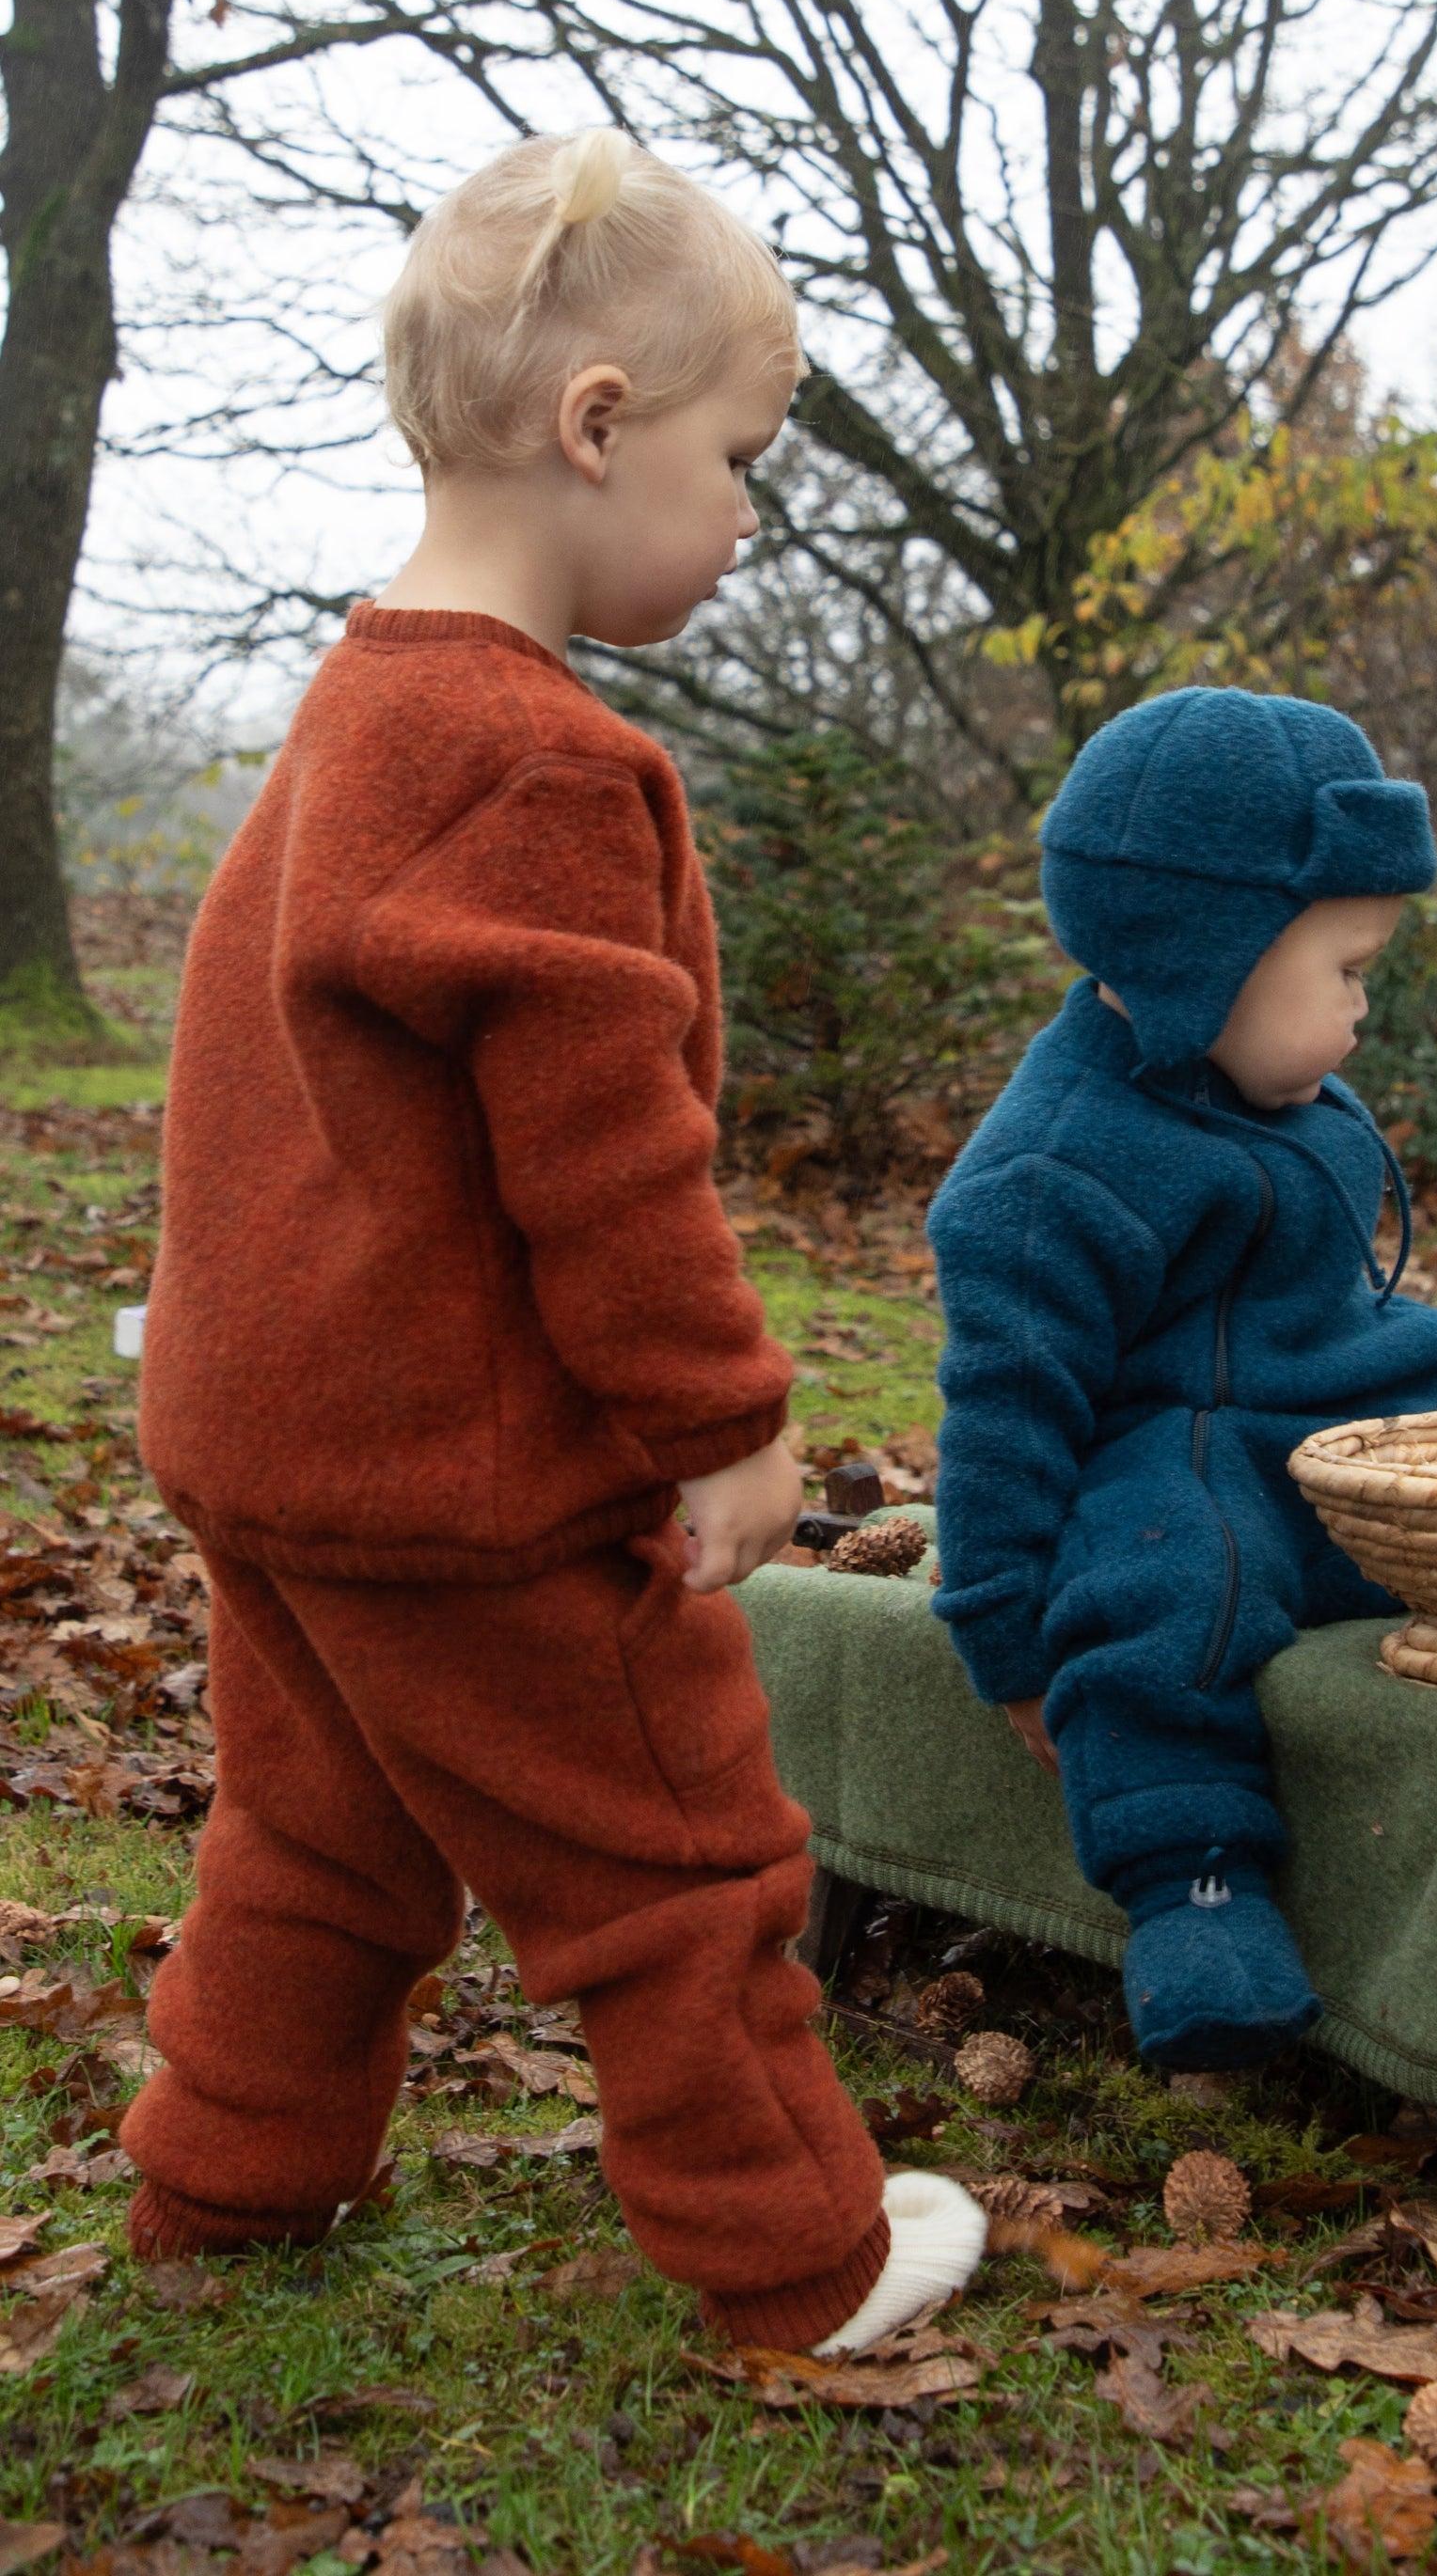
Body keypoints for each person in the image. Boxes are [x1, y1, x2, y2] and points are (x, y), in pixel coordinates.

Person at [121, 128, 984, 2353]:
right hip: (473, 1476)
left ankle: (230, 2185)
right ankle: (805, 2256)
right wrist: (720, 1424)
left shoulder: (352, 717)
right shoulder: (530, 764)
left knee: (317, 1845)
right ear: (599, 425)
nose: (750, 507)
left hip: (277, 1450)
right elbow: (604, 1166)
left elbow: (248, 1098)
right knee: (674, 1856)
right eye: (740, 454)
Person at [927, 688, 1437, 2075]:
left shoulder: (1270, 1094)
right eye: (1345, 969)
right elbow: (1006, 1414)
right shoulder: (1053, 1173)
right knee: (1167, 1578)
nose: (1362, 1007)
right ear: (1204, 958)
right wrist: (1005, 1636)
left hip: (1338, 1424)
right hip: (1180, 1462)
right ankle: (1198, 1890)